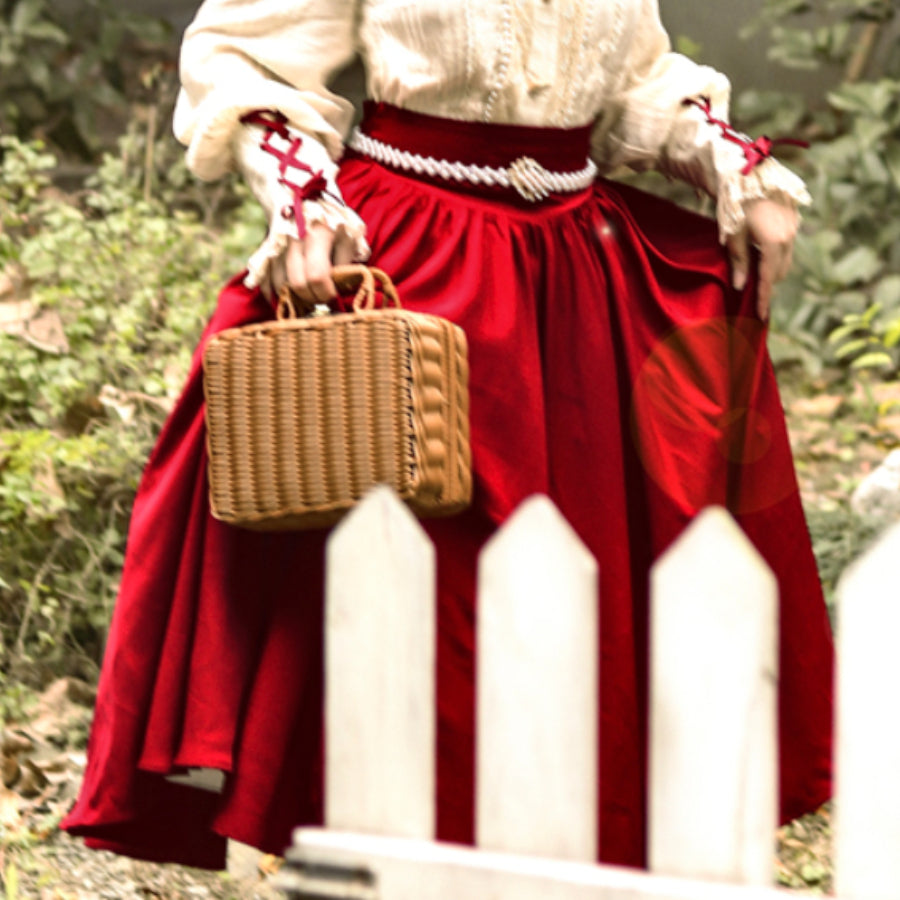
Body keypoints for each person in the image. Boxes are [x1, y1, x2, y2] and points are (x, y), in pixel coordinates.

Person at [62, 0, 834, 871]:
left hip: (574, 292)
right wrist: (301, 193)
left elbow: (638, 80)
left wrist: (736, 169)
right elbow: (248, 62)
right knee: (435, 627)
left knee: (576, 621)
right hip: (417, 281)